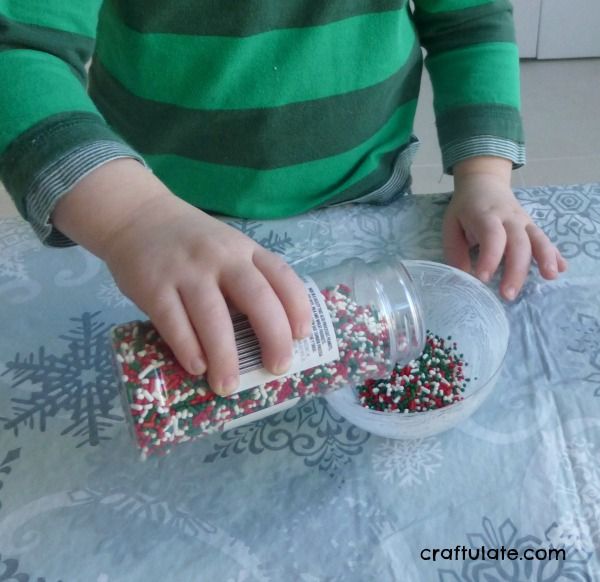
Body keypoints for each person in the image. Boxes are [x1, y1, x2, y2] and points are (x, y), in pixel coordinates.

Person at [0, 1, 567, 395]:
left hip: (362, 201)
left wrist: (485, 178)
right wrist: (132, 217)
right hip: (166, 223)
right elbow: (20, 47)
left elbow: (469, 21)